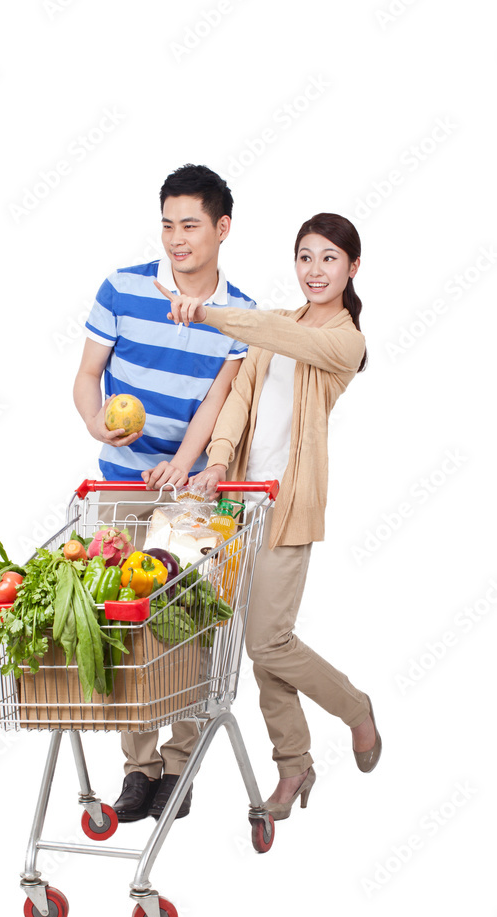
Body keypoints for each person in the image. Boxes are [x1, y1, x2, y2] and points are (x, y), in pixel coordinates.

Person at [154, 212, 382, 820]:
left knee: (268, 643)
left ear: (352, 268)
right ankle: (294, 766)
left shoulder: (344, 341)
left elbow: (273, 336)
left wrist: (205, 312)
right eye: (306, 257)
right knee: (258, 649)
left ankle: (355, 709)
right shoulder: (274, 326)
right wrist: (218, 462)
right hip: (238, 507)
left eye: (329, 258)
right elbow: (238, 399)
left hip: (287, 506)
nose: (315, 270)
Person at [73, 164, 255, 821]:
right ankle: (137, 769)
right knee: (124, 618)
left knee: (188, 620)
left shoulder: (240, 315)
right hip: (120, 475)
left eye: (190, 225)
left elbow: (219, 397)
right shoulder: (120, 288)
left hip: (192, 483)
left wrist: (182, 465)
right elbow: (88, 375)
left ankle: (178, 768)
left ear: (221, 228)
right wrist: (96, 422)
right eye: (167, 224)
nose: (176, 238)